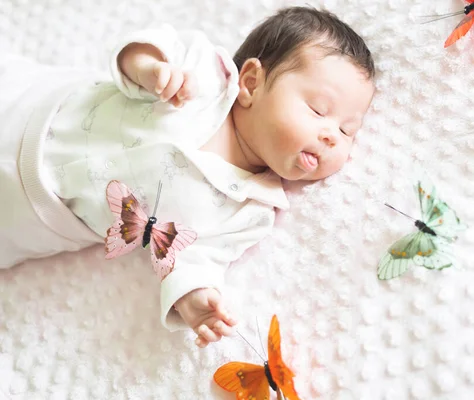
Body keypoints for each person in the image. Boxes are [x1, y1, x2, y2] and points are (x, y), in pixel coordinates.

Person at [0, 6, 375, 348]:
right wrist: (152, 70)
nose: (330, 136)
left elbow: (193, 259)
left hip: (31, 213)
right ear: (251, 82)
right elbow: (136, 53)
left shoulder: (249, 210)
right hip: (31, 103)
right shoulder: (203, 74)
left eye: (347, 131)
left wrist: (196, 300)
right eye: (317, 109)